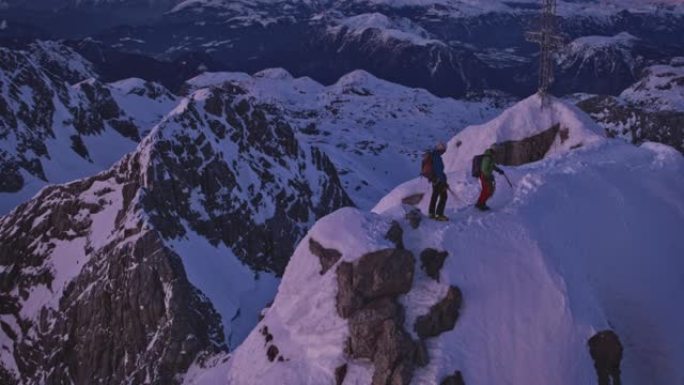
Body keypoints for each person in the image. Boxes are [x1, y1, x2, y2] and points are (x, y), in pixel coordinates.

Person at [475, 146, 504, 211]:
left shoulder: (490, 157)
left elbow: (491, 166)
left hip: (486, 176)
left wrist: (498, 170)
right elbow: (484, 169)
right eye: (496, 151)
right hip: (485, 177)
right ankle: (480, 204)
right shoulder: (487, 158)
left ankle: (480, 203)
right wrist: (489, 176)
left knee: (486, 191)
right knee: (487, 191)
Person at [429, 142, 449, 221]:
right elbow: (439, 171)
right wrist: (444, 182)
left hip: (434, 179)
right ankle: (439, 214)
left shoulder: (433, 155)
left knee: (435, 196)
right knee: (444, 196)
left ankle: (431, 213)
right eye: (444, 150)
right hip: (438, 180)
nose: (444, 152)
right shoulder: (437, 157)